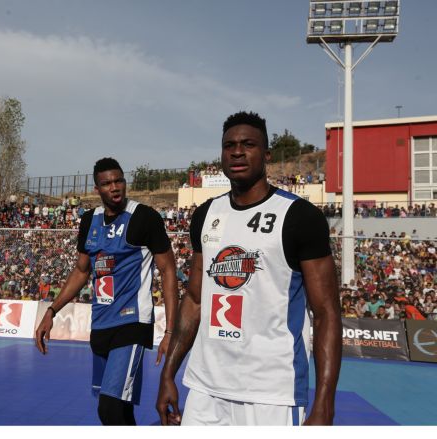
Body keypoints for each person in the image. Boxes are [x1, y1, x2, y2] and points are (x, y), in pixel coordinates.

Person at [156, 111, 342, 426]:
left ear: (267, 155)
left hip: (271, 393)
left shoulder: (299, 217)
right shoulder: (206, 214)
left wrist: (325, 402)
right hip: (205, 388)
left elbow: (326, 313)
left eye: (248, 144)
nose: (237, 152)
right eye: (229, 145)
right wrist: (168, 374)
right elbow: (196, 300)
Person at [35, 157, 178, 425]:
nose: (115, 187)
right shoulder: (89, 220)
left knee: (108, 408)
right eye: (107, 183)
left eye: (119, 181)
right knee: (120, 411)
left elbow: (169, 271)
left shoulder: (144, 217)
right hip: (101, 325)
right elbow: (81, 271)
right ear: (97, 189)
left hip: (132, 323)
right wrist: (52, 311)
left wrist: (171, 332)